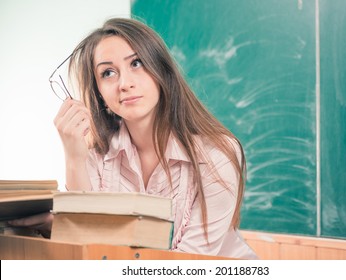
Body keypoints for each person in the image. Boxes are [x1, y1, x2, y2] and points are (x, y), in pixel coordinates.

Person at [10, 18, 258, 259]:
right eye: (108, 73)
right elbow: (90, 249)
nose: (124, 84)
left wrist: (73, 227)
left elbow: (186, 265)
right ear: (99, 94)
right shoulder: (97, 158)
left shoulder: (217, 154)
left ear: (161, 71)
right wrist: (74, 159)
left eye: (137, 63)